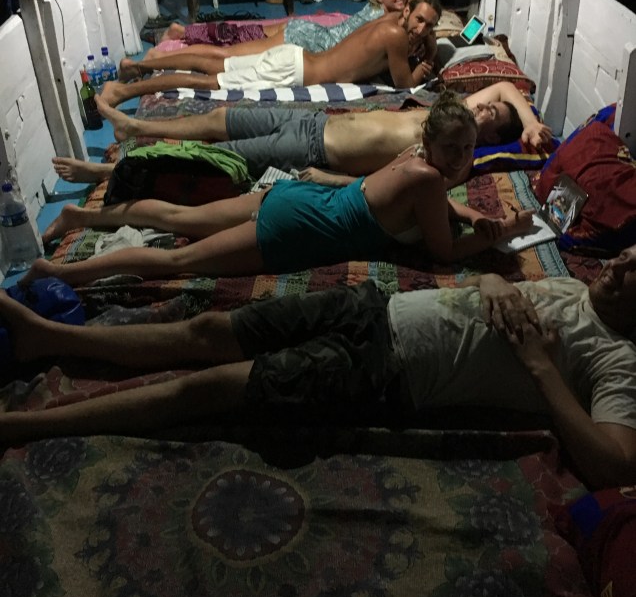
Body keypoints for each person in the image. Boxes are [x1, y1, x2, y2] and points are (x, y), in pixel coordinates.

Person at [2, 246, 636, 490]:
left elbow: (613, 465)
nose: (619, 262)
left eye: (635, 270)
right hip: (374, 307)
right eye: (627, 252)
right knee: (207, 330)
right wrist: (492, 280)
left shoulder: (619, 358)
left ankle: (27, 426)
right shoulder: (570, 283)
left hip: (386, 368)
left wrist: (540, 367)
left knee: (207, 387)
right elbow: (488, 286)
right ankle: (46, 336)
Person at [29, 92, 533, 284]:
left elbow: (441, 205)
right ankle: (60, 273)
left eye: (468, 150)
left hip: (299, 197)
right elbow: (445, 255)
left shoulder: (416, 158)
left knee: (179, 220)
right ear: (432, 142)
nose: (461, 159)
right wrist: (500, 233)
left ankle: (81, 218)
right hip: (300, 227)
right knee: (179, 260)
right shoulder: (429, 179)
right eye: (453, 149)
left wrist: (475, 216)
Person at [53, 81, 552, 186]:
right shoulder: (456, 115)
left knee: (218, 155)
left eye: (491, 113)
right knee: (219, 118)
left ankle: (105, 171)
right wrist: (529, 120)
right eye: (485, 103)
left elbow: (384, 185)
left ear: (489, 136)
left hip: (310, 147)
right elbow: (506, 86)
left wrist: (331, 180)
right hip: (312, 119)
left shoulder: (451, 155)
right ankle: (136, 125)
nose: (484, 105)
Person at [101, 0, 442, 107]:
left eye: (429, 26)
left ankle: (138, 70)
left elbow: (409, 36)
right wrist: (425, 62)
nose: (422, 30)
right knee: (207, 80)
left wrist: (424, 37)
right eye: (420, 20)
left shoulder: (390, 19)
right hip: (293, 71)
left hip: (294, 58)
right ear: (408, 10)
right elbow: (404, 85)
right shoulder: (396, 37)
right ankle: (124, 91)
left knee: (214, 65)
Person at [154, 0, 410, 56]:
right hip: (307, 38)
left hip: (309, 31)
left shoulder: (375, 7)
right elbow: (402, 22)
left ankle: (185, 32)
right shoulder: (386, 17)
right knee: (230, 53)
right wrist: (411, 2)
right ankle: (174, 54)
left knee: (245, 33)